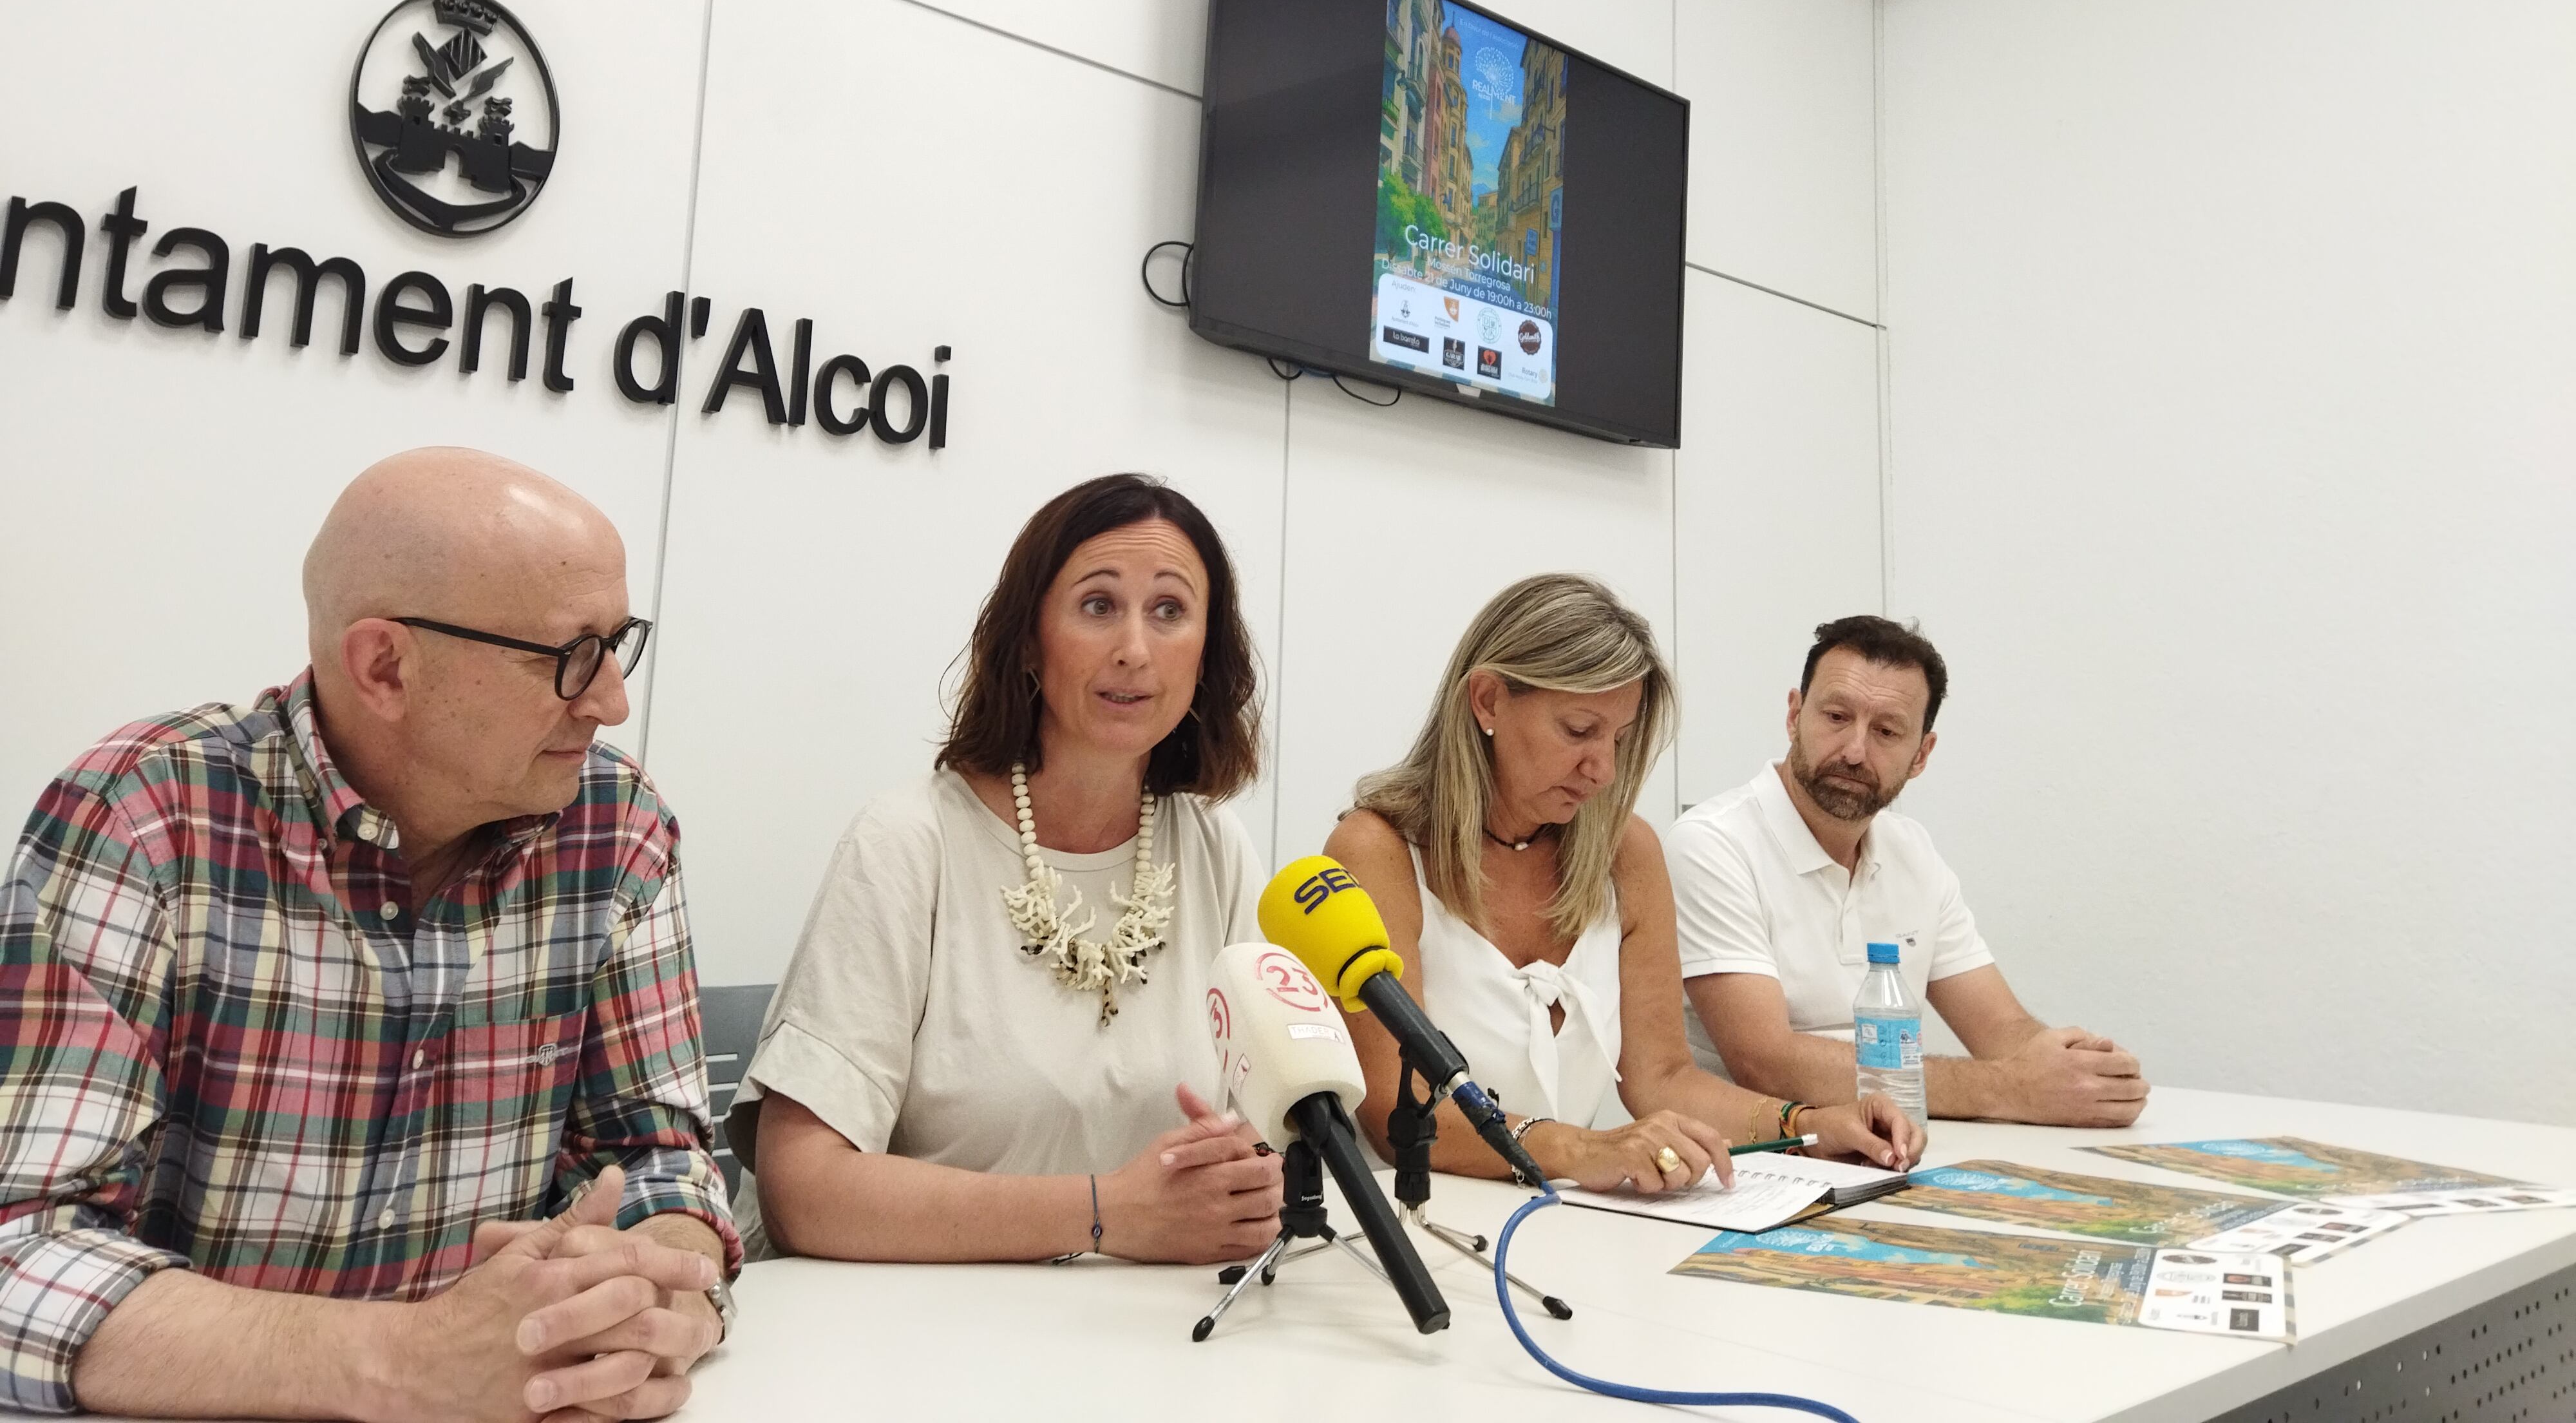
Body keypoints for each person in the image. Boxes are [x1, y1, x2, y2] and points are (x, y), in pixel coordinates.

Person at [0, 448, 736, 1422]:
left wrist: (653, 1292)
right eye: (568, 655)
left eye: (617, 643)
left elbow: (656, 1161)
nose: (611, 700)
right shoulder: (147, 813)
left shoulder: (616, 824)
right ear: (385, 665)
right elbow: (20, 1249)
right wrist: (406, 1362)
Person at [730, 473, 1283, 1264]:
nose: (1134, 649)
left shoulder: (1215, 846)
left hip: (1147, 1318)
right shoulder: (909, 839)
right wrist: (1105, 1213)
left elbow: (1267, 1134)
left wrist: (1251, 1183)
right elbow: (801, 1189)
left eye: (1170, 611)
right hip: (913, 1317)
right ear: (1028, 640)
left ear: (1207, 652)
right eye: (1098, 606)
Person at [1323, 575, 1922, 1196]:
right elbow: (1400, 1110)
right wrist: (1579, 1149)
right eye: (1579, 730)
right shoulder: (1377, 852)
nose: (1604, 769)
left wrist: (1808, 1127)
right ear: (1488, 701)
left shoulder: (1625, 851)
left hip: (1565, 1218)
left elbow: (1663, 1078)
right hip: (1407, 1220)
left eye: (1619, 739)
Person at [1667, 615, 2150, 1128]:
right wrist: (2010, 1088)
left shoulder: (1912, 849)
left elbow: (2001, 1028)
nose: (1855, 751)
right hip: (1755, 1153)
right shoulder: (1712, 843)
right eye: (1836, 717)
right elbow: (1765, 1061)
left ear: (1921, 755)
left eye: (1886, 731)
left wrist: (2078, 1071)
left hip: (1893, 1145)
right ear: (1794, 716)